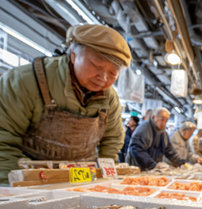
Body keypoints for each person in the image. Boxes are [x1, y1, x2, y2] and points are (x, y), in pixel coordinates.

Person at [0, 24, 131, 184]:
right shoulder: (25, 81)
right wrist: (13, 189)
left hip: (83, 179)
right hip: (31, 180)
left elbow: (112, 140)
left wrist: (106, 182)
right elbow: (3, 140)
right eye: (97, 66)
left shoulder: (110, 98)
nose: (103, 78)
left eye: (113, 73)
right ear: (74, 54)